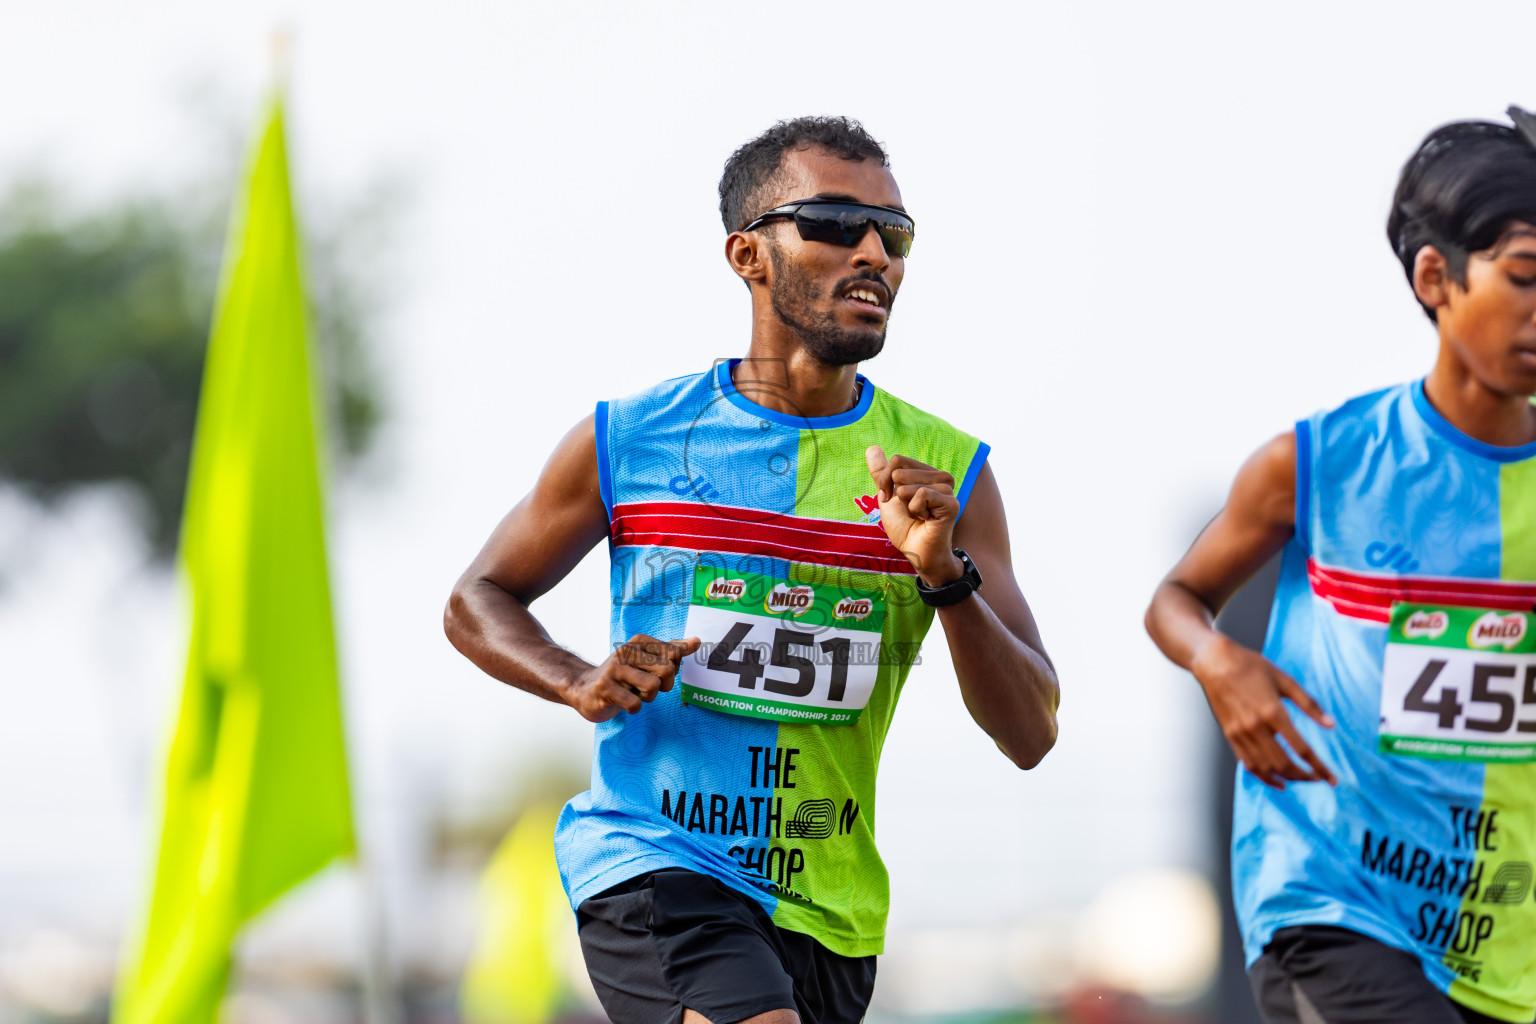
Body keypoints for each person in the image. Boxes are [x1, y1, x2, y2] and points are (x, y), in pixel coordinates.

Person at [443, 116, 1060, 1024]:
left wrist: (942, 573)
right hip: (659, 862)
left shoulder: (948, 472)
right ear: (749, 255)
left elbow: (1032, 732)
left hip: (832, 909)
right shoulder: (631, 439)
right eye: (834, 223)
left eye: (893, 234)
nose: (873, 254)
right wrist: (577, 680)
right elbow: (476, 599)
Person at [1145, 107, 1536, 1024]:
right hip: (1333, 905)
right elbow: (1177, 598)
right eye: (1525, 278)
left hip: (1500, 932)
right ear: (1436, 278)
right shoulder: (1319, 464)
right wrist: (1219, 663)